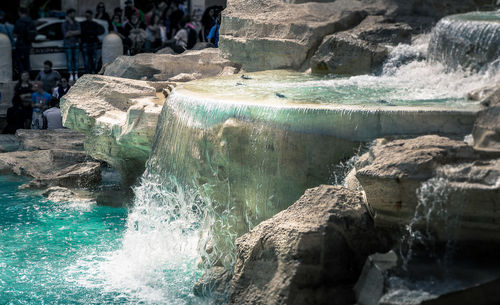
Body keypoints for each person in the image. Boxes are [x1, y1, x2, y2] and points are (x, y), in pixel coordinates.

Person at [13, 7, 36, 72]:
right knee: (27, 60)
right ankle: (27, 75)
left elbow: (15, 34)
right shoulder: (31, 21)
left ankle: (22, 75)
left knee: (19, 60)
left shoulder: (18, 21)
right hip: (28, 44)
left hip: (20, 44)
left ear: (19, 12)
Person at [81, 10, 103, 74]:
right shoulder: (83, 24)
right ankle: (88, 73)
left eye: (88, 16)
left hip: (93, 43)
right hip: (86, 43)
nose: (87, 17)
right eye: (86, 16)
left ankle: (93, 72)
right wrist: (91, 33)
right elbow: (82, 33)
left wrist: (90, 33)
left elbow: (97, 32)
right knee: (86, 60)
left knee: (93, 60)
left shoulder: (95, 24)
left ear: (91, 16)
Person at [62, 8, 81, 81]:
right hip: (68, 44)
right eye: (72, 13)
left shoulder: (77, 23)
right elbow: (65, 34)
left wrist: (70, 32)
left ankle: (76, 74)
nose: (74, 15)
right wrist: (74, 32)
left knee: (76, 60)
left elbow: (79, 32)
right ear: (69, 14)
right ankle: (70, 75)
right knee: (69, 60)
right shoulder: (65, 23)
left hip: (75, 44)